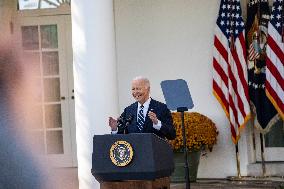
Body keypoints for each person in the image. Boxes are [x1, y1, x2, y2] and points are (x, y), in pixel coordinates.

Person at [109, 76, 176, 140]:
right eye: (133, 89)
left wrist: (157, 123)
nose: (135, 92)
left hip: (154, 151)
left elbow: (172, 135)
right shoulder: (128, 110)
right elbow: (120, 137)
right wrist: (114, 129)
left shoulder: (161, 108)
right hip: (134, 151)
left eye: (138, 88)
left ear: (148, 89)